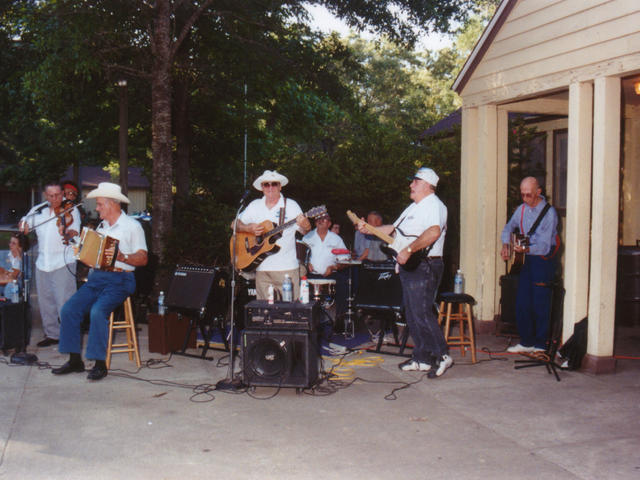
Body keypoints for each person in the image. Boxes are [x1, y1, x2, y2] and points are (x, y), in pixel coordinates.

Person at [357, 167, 452, 376]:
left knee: (422, 312)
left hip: (425, 264)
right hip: (411, 265)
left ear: (427, 185)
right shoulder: (413, 207)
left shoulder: (434, 205)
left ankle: (442, 355)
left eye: (415, 182)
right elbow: (392, 229)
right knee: (411, 312)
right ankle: (422, 358)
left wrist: (409, 250)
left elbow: (434, 231)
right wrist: (369, 230)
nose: (411, 185)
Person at [52, 182, 148, 381]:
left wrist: (123, 257)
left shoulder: (133, 226)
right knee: (69, 309)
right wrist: (74, 241)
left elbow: (143, 258)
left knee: (97, 311)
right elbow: (93, 254)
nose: (96, 208)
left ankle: (99, 364)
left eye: (100, 204)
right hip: (97, 278)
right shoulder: (102, 226)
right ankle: (75, 360)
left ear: (113, 204)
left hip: (121, 279)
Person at [500, 176, 558, 353]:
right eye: (523, 195)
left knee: (540, 302)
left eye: (529, 195)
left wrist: (525, 249)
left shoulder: (550, 213)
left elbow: (544, 246)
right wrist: (506, 244)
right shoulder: (522, 209)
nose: (525, 199)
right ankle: (526, 342)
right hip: (526, 259)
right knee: (522, 301)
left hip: (543, 259)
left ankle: (540, 345)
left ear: (538, 192)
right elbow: (508, 227)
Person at [19, 183, 81, 347]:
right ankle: (52, 334)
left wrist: (66, 232)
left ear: (63, 194)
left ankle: (70, 338)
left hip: (63, 262)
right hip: (43, 263)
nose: (55, 199)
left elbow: (75, 231)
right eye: (51, 196)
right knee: (46, 302)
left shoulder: (71, 210)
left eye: (58, 195)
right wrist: (24, 226)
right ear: (46, 196)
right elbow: (25, 223)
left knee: (65, 302)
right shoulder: (38, 210)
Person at [234, 170, 311, 300]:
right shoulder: (254, 206)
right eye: (266, 184)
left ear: (280, 186)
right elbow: (234, 225)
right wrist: (249, 228)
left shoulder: (291, 206)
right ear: (262, 188)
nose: (270, 187)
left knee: (289, 313)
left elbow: (305, 231)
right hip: (261, 269)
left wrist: (306, 224)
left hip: (286, 269)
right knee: (265, 314)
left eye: (274, 184)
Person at [303, 214, 349, 316]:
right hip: (311, 274)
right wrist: (306, 264)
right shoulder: (307, 238)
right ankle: (304, 316)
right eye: (318, 219)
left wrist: (334, 267)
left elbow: (345, 260)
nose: (320, 221)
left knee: (344, 284)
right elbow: (299, 258)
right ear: (315, 222)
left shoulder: (336, 239)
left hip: (331, 273)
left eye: (324, 220)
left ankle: (339, 319)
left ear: (329, 224)